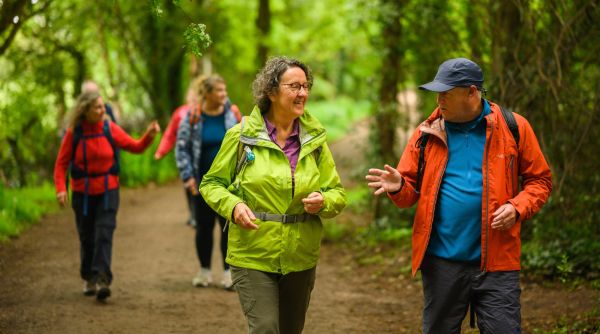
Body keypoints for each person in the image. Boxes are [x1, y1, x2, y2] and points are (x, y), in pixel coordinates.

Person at [365, 58, 552, 333]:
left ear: (471, 92)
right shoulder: (426, 133)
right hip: (442, 263)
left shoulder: (514, 127)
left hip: (498, 263)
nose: (439, 99)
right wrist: (397, 187)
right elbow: (408, 195)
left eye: (446, 92)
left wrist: (517, 207)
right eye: (437, 92)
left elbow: (540, 180)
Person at [200, 56, 346, 334]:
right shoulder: (241, 136)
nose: (302, 93)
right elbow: (211, 183)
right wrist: (233, 206)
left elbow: (336, 192)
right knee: (266, 328)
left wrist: (323, 201)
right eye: (294, 86)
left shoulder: (314, 141)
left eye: (305, 86)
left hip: (300, 254)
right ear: (271, 91)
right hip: (252, 252)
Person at [54, 90, 160, 302]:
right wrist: (61, 188)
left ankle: (103, 279)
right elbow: (61, 164)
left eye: (103, 106)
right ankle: (89, 276)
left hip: (108, 190)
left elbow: (135, 146)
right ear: (85, 110)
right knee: (87, 236)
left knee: (104, 232)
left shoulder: (108, 128)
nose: (103, 110)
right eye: (98, 107)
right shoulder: (74, 132)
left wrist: (148, 136)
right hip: (82, 194)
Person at [175, 75, 241, 290]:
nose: (224, 94)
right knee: (203, 228)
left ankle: (228, 273)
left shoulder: (231, 116)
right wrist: (188, 176)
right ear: (207, 94)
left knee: (227, 228)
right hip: (201, 184)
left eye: (225, 90)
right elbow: (182, 148)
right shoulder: (193, 117)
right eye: (219, 91)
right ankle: (204, 272)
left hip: (228, 184)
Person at [154, 85, 199, 227]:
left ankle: (199, 214)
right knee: (189, 184)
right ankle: (193, 213)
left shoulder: (205, 113)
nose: (193, 99)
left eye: (196, 96)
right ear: (187, 98)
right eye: (191, 96)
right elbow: (170, 134)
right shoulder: (180, 113)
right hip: (186, 154)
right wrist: (161, 151)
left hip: (200, 153)